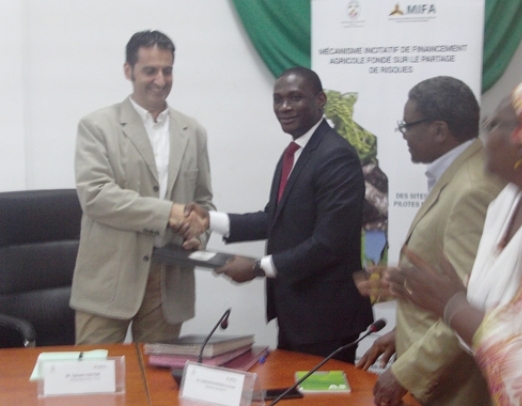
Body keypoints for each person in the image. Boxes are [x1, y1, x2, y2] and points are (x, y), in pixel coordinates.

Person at [386, 66, 522, 405]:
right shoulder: (507, 202)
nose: (484, 137)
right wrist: (445, 302)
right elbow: (495, 313)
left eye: (495, 124)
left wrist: (452, 306)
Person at [181, 67, 374, 364]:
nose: (284, 107)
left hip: (327, 319)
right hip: (296, 311)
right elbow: (275, 217)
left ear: (320, 100)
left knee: (316, 391)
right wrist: (210, 220)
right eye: (278, 99)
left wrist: (257, 268)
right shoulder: (295, 152)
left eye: (295, 98)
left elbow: (328, 244)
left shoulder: (335, 155)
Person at [356, 76, 505, 405]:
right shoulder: (460, 176)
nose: (403, 134)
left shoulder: (471, 190)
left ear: (439, 130)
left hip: (455, 389)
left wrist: (407, 372)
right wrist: (402, 333)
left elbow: (471, 304)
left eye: (407, 126)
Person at [70, 30, 215, 344]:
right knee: (95, 370)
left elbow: (203, 202)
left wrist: (198, 234)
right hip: (109, 279)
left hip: (169, 282)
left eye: (167, 70)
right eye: (150, 71)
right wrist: (169, 212)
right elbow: (96, 197)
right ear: (129, 71)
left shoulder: (193, 131)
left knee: (156, 374)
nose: (160, 80)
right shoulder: (97, 126)